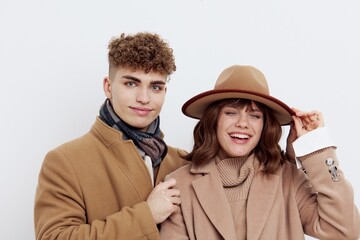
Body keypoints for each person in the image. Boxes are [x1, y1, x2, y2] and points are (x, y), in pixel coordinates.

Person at [160, 65, 360, 240]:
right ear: (213, 120)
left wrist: (315, 147)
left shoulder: (287, 178)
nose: (243, 123)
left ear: (265, 126)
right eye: (231, 113)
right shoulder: (180, 185)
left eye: (255, 116)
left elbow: (344, 230)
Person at [34, 32, 189, 240]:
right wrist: (147, 215)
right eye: (131, 84)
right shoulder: (65, 161)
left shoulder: (181, 161)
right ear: (108, 87)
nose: (144, 98)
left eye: (155, 87)